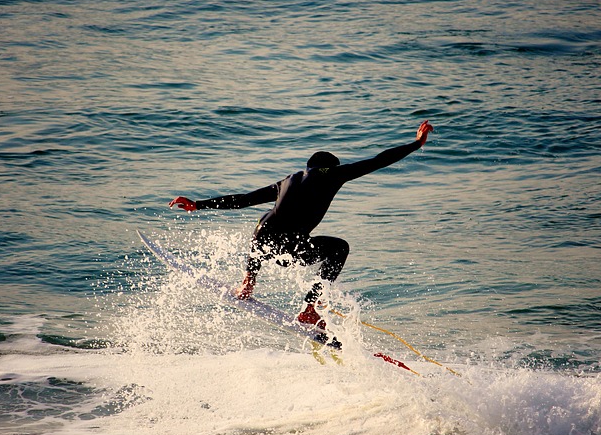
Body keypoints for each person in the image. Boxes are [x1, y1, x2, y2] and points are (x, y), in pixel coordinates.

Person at [169, 120, 433, 342]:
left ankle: (248, 281)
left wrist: (198, 204)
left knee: (265, 219)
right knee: (339, 248)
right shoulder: (333, 175)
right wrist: (416, 143)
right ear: (331, 167)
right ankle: (309, 309)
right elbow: (378, 160)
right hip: (293, 249)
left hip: (266, 246)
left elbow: (243, 199)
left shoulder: (286, 181)